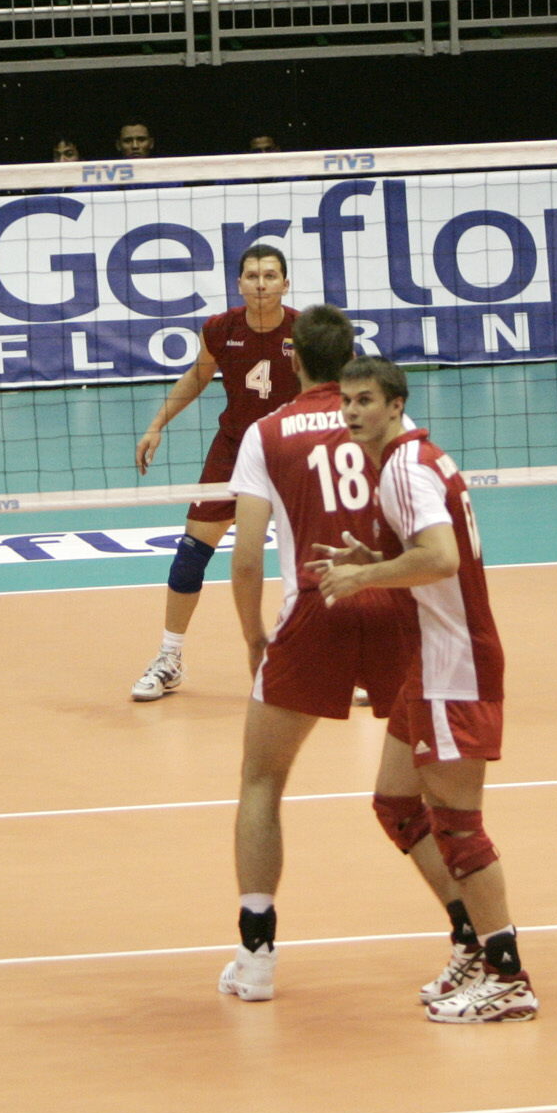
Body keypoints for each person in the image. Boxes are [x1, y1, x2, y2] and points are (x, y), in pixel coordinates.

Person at [312, 355, 531, 1021]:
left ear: (396, 403)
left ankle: (508, 975)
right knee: (397, 802)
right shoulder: (409, 460)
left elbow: (441, 556)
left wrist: (363, 579)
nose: (352, 412)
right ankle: (470, 938)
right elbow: (430, 560)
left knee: (459, 826)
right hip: (429, 660)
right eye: (346, 400)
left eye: (366, 399)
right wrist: (375, 562)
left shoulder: (405, 468)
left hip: (453, 663)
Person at [219, 305, 416, 1002]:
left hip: (316, 610)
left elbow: (245, 561)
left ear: (294, 356)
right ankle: (474, 935)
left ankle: (258, 958)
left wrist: (253, 637)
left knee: (261, 780)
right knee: (430, 790)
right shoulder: (387, 420)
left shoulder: (266, 433)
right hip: (395, 610)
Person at [128, 244, 297, 701]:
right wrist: (156, 424)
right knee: (191, 551)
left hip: (292, 450)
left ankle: (343, 657)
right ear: (239, 283)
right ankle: (169, 657)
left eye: (269, 275)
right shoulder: (221, 329)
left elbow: (333, 388)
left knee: (317, 553)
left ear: (285, 282)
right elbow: (198, 377)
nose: (260, 283)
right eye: (251, 276)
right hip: (235, 450)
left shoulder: (304, 330)